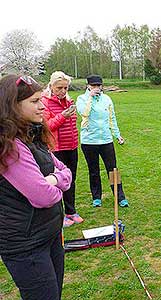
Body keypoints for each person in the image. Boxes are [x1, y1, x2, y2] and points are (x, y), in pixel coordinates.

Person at [0, 74, 72, 300]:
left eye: (41, 99)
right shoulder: (10, 146)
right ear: (12, 106)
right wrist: (54, 180)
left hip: (48, 233)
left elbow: (66, 172)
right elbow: (44, 196)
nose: (42, 106)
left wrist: (53, 178)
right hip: (26, 243)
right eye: (34, 101)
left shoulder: (32, 135)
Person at [76, 74, 128, 207]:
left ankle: (120, 196)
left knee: (113, 169)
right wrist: (90, 98)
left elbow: (112, 118)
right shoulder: (82, 99)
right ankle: (96, 197)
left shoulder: (107, 99)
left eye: (98, 85)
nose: (97, 88)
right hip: (89, 141)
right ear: (88, 86)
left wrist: (117, 135)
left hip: (106, 140)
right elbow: (84, 113)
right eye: (93, 85)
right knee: (94, 170)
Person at [42, 71, 83, 227]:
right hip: (56, 148)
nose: (63, 91)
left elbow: (72, 124)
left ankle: (71, 211)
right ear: (51, 86)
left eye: (66, 88)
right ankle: (59, 214)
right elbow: (48, 126)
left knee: (71, 179)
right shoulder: (45, 102)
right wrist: (63, 116)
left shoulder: (69, 100)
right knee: (57, 181)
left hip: (71, 146)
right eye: (59, 88)